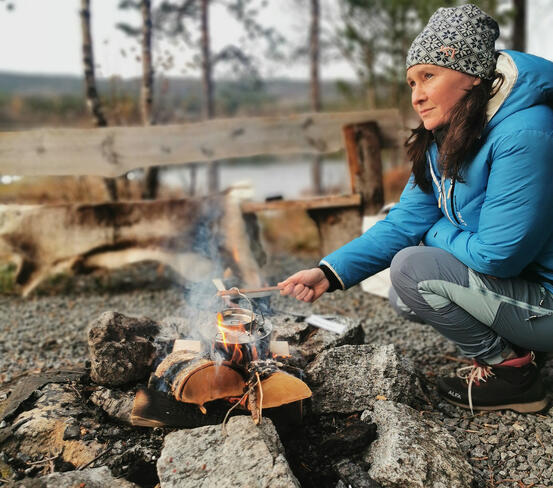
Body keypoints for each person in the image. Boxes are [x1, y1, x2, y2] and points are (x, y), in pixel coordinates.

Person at [278, 3, 553, 414]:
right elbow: (405, 221)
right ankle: (520, 347)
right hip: (526, 290)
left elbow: (498, 255)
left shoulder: (526, 133)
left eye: (429, 76)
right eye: (411, 82)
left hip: (546, 296)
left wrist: (434, 232)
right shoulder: (448, 137)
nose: (417, 95)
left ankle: (513, 374)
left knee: (413, 268)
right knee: (404, 293)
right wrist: (328, 272)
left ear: (473, 74)